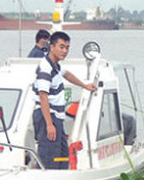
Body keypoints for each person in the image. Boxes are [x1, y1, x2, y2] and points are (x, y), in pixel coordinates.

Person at [32, 31, 97, 169]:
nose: (65, 51)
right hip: (47, 116)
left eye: (67, 47)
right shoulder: (46, 68)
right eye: (61, 47)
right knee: (49, 158)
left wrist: (84, 85)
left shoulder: (56, 65)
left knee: (62, 155)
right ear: (52, 46)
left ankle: (61, 179)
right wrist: (49, 124)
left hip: (57, 117)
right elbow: (43, 96)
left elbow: (67, 74)